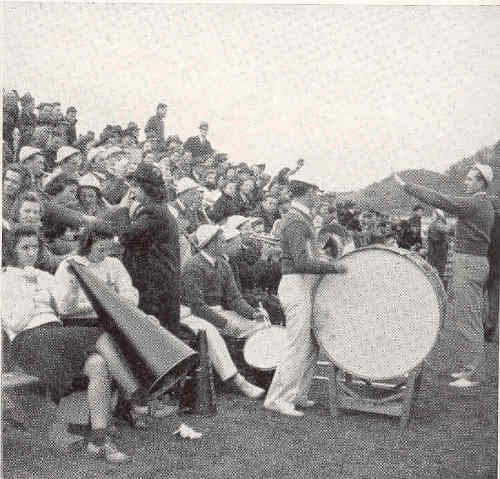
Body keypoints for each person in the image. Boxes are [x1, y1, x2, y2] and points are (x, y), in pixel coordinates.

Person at [1, 225, 152, 463]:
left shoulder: (43, 276)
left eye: (35, 247)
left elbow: (63, 309)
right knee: (101, 336)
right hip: (28, 342)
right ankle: (136, 393)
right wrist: (32, 292)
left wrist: (71, 288)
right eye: (24, 248)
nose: (31, 252)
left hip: (56, 335)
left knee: (98, 364)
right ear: (12, 250)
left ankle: (99, 440)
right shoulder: (5, 278)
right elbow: (15, 322)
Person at [393, 164, 495, 388]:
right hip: (473, 262)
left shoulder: (475, 203)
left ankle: (475, 374)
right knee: (468, 317)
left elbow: (440, 199)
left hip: (468, 264)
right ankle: (471, 367)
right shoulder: (482, 204)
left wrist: (406, 186)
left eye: (469, 179)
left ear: (481, 183)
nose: (465, 182)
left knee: (468, 319)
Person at [263, 175, 346, 417]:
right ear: (308, 191)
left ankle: (298, 393)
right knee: (297, 345)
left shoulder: (301, 218)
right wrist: (332, 267)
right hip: (295, 284)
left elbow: (308, 257)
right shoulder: (296, 220)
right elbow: (300, 262)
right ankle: (278, 399)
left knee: (309, 345)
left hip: (301, 284)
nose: (318, 196)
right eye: (316, 191)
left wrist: (326, 261)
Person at [113, 162, 182, 334]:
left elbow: (125, 236)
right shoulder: (160, 209)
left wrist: (123, 209)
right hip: (162, 283)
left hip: (154, 287)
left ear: (145, 188)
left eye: (135, 187)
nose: (132, 192)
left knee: (155, 337)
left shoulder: (152, 212)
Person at [182, 224, 269, 340]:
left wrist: (252, 313)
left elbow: (234, 298)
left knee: (262, 324)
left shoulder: (223, 264)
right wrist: (224, 324)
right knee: (256, 330)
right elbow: (197, 306)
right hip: (197, 317)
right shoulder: (193, 266)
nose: (225, 244)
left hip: (218, 314)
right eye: (222, 241)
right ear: (211, 244)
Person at [426, 209, 449, 283]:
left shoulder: (436, 223)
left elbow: (445, 230)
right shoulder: (439, 223)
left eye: (433, 214)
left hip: (436, 250)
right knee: (440, 270)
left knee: (433, 269)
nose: (432, 215)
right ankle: (439, 285)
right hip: (439, 250)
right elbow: (446, 231)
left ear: (437, 215)